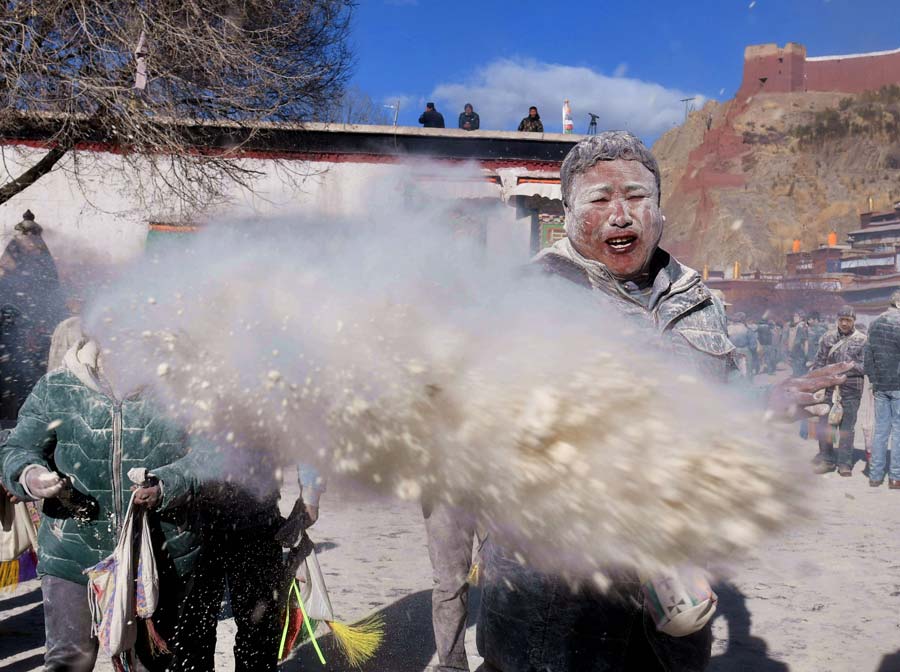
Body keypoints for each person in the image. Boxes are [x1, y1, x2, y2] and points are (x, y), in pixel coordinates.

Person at [475, 131, 850, 672]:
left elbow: (720, 398)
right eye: (600, 199)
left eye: (637, 196)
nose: (621, 215)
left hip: (672, 602)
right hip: (558, 609)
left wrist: (765, 399)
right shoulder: (522, 298)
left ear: (660, 209)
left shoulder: (698, 299)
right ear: (568, 212)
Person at [0, 332, 211, 672]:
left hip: (160, 555)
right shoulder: (59, 387)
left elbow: (215, 456)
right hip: (71, 553)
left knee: (150, 663)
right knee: (69, 660)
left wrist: (166, 485)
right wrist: (30, 475)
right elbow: (18, 448)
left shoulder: (181, 385)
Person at [169, 461, 326, 671]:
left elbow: (307, 440)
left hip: (256, 515)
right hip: (192, 518)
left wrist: (310, 494)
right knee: (191, 627)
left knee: (257, 630)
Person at [811, 305, 867, 476]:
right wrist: (817, 383)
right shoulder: (827, 338)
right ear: (837, 320)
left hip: (852, 389)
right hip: (829, 388)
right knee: (825, 425)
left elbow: (867, 366)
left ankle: (844, 463)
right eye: (841, 320)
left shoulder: (863, 340)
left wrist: (846, 367)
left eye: (848, 320)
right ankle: (827, 460)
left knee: (847, 427)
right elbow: (819, 362)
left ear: (854, 321)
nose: (844, 323)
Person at [864, 291, 900, 488]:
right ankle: (895, 477)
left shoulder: (875, 323)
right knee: (898, 431)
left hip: (880, 385)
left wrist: (873, 379)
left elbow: (868, 355)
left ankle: (875, 476)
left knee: (880, 431)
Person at [728, 312, 757, 380]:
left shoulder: (728, 328)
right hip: (744, 351)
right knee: (746, 369)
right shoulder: (747, 329)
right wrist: (753, 352)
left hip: (731, 351)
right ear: (743, 319)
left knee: (732, 370)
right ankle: (746, 382)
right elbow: (753, 345)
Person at [787, 312, 810, 377]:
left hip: (799, 350)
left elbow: (805, 341)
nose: (794, 318)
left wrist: (806, 353)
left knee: (799, 370)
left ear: (801, 318)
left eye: (796, 316)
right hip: (796, 350)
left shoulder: (801, 326)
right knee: (797, 368)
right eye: (794, 316)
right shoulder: (797, 326)